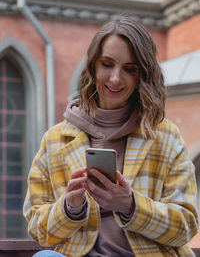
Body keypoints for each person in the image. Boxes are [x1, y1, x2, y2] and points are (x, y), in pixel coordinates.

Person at [23, 16, 199, 257]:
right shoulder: (54, 140)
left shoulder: (165, 136)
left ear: (142, 75)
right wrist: (69, 208)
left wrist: (130, 205)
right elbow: (37, 228)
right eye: (107, 64)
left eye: (129, 69)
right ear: (93, 65)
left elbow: (186, 225)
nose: (115, 78)